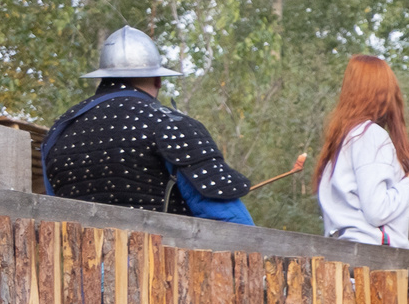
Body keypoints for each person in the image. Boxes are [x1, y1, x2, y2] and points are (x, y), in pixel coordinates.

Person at [40, 27, 255, 220]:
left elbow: (54, 210)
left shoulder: (59, 132)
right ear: (158, 79)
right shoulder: (171, 125)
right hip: (159, 262)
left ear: (104, 78)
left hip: (79, 262)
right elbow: (230, 220)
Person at [315, 55, 409, 247]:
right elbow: (377, 212)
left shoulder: (344, 139)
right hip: (374, 260)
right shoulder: (371, 136)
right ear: (381, 92)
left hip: (347, 255)